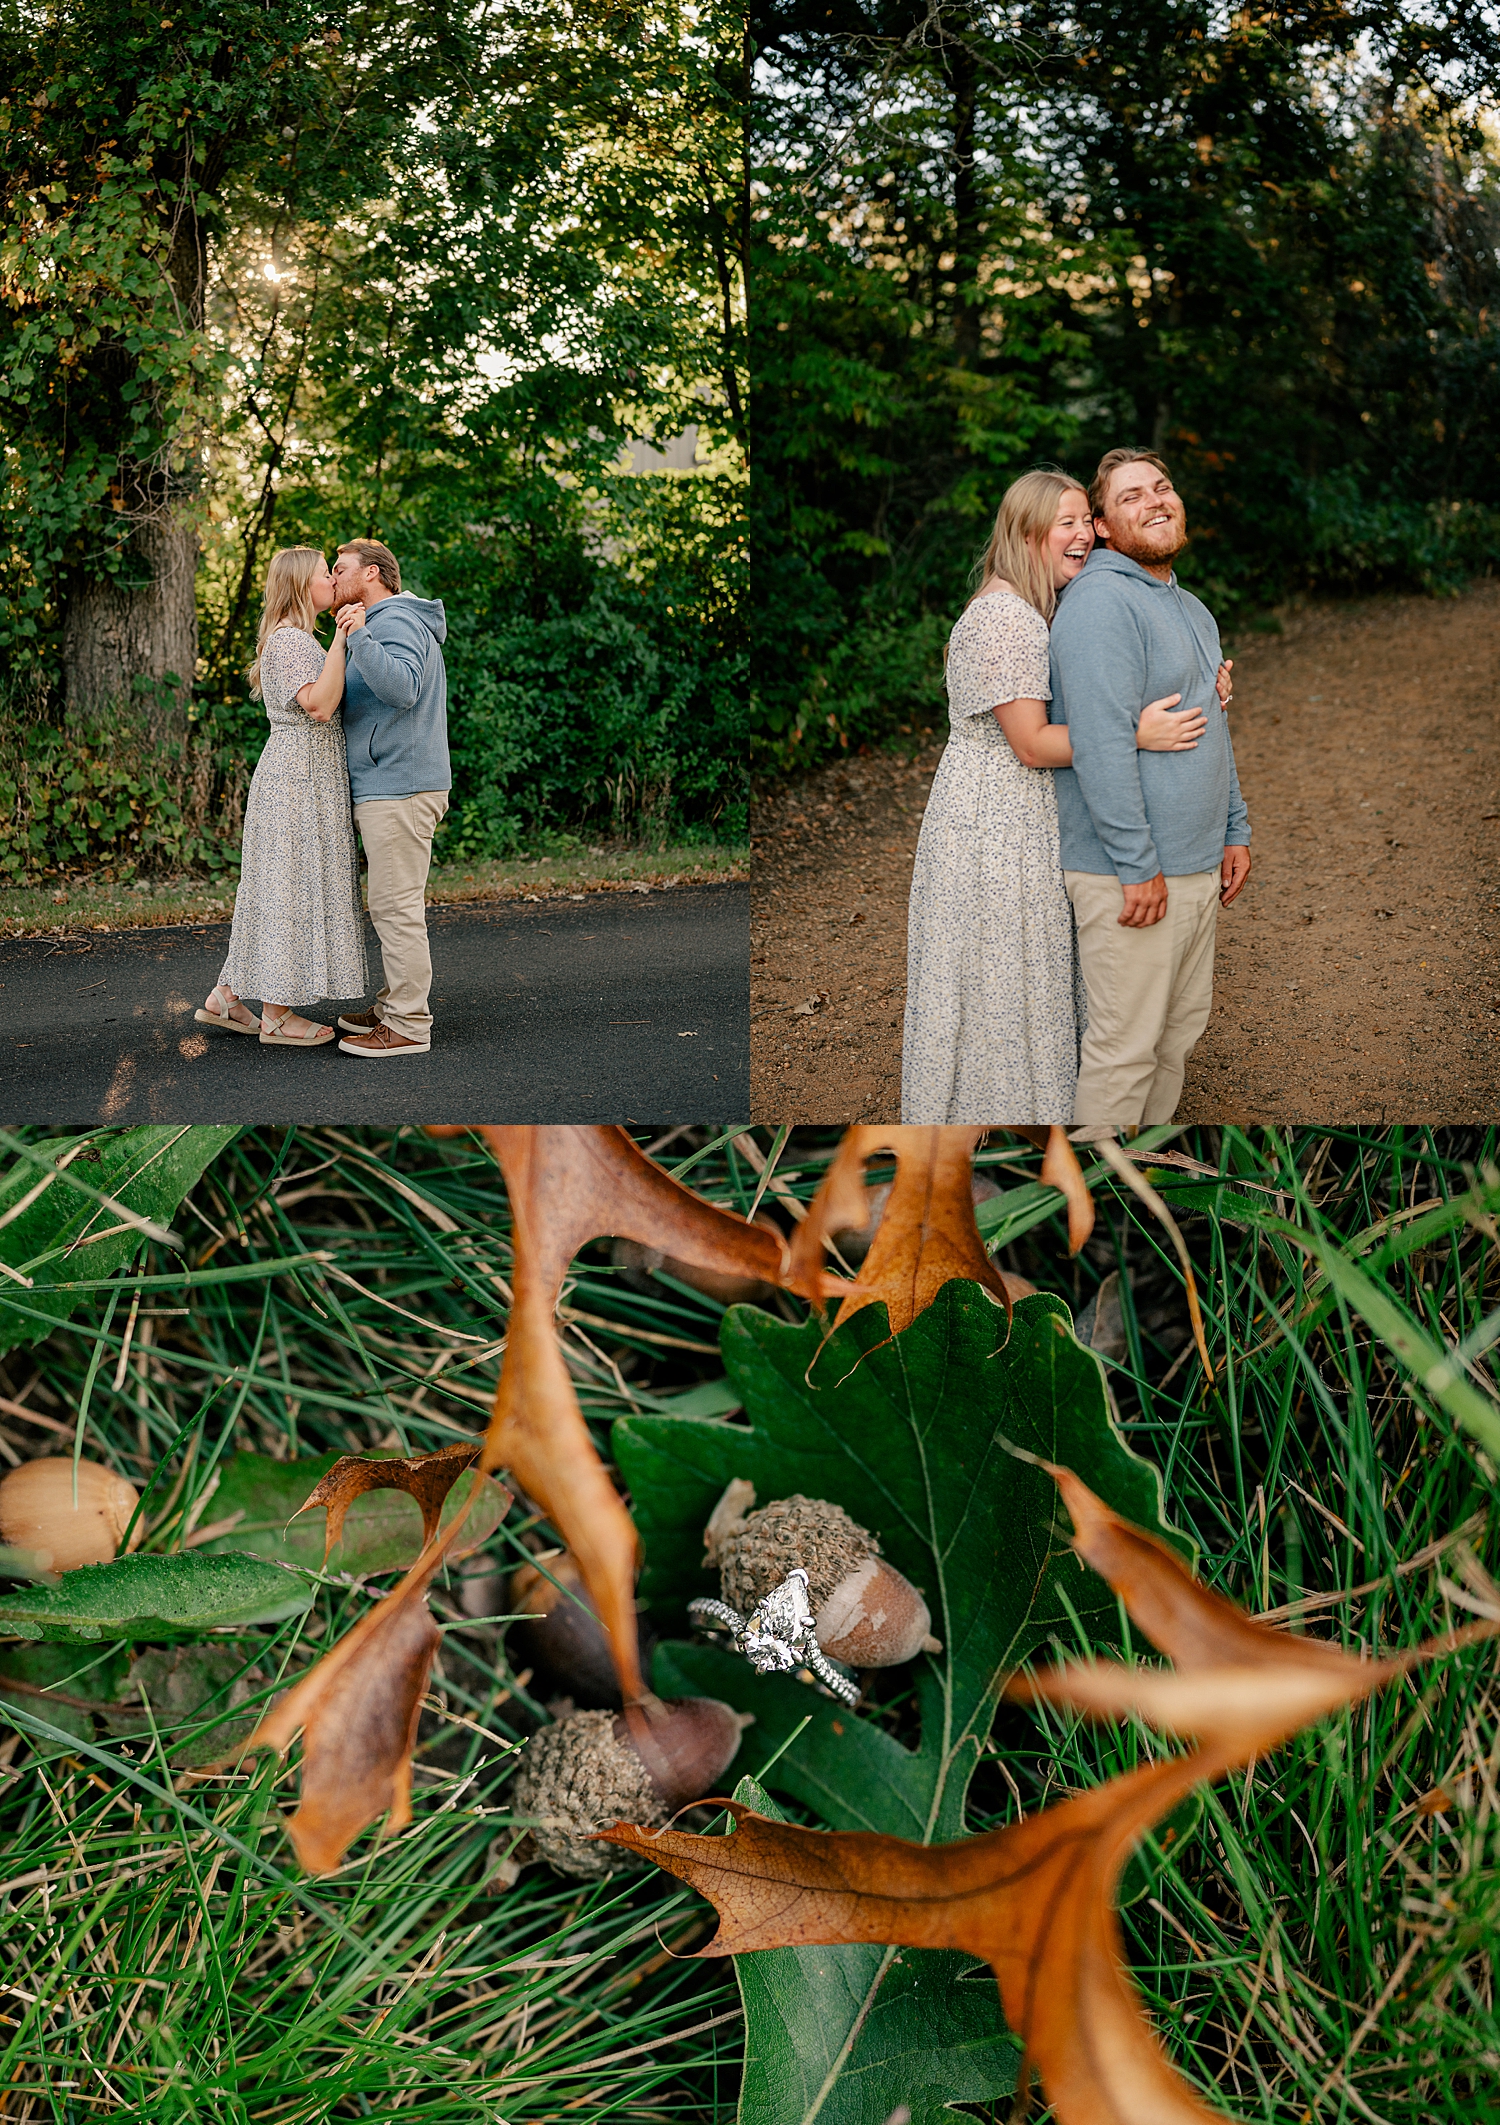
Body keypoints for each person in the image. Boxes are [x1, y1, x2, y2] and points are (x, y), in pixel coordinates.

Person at [902, 468, 1216, 1123]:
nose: (1082, 536)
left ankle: (1030, 1112)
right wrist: (1134, 733)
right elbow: (1031, 743)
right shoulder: (1003, 618)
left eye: (1084, 520)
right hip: (992, 819)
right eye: (1064, 523)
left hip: (1027, 812)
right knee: (995, 978)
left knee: (1024, 976)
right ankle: (986, 1121)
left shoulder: (1042, 606)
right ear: (1025, 532)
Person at [1049, 449, 1251, 1131]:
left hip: (1194, 866)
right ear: (1103, 525)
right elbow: (1100, 742)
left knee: (1177, 1035)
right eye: (1132, 496)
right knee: (1124, 1051)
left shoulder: (1189, 606)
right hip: (1129, 873)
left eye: (1163, 487)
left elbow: (1212, 724)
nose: (1156, 500)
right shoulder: (1100, 604)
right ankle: (1089, 1199)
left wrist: (1235, 828)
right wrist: (1137, 865)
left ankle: (1140, 1175)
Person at [196, 548, 367, 1048]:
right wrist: (340, 638)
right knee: (289, 889)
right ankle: (276, 1015)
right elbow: (317, 705)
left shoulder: (295, 639)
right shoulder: (293, 641)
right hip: (296, 781)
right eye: (324, 575)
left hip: (304, 777)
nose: (334, 582)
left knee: (275, 889)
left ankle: (226, 996)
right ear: (300, 585)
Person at [325, 539, 451, 1058]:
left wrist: (358, 636)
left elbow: (402, 689)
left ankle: (408, 1026)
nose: (332, 578)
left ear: (372, 574)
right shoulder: (385, 622)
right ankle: (391, 1005)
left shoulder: (390, 620)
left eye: (340, 569)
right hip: (392, 783)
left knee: (396, 908)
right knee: (389, 903)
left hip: (400, 786)